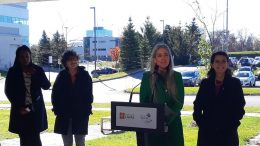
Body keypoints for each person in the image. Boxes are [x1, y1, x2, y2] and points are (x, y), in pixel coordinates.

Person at [193, 51, 246, 146]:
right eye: (217, 61)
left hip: (228, 134)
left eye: (223, 61)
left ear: (228, 63)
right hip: (207, 134)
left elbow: (240, 107)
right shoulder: (205, 83)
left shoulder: (235, 83)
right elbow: (197, 105)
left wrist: (232, 125)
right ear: (212, 64)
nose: (220, 64)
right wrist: (201, 124)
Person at [138, 43, 185, 146]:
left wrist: (165, 121)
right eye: (159, 55)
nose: (163, 58)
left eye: (166, 55)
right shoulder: (147, 77)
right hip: (153, 127)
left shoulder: (177, 76)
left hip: (173, 126)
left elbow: (179, 103)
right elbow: (144, 101)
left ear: (170, 57)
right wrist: (156, 121)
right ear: (154, 59)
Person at [4, 45, 51, 146]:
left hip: (35, 109)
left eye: (27, 56)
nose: (25, 59)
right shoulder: (13, 71)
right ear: (18, 57)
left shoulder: (37, 69)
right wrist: (19, 107)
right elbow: (8, 91)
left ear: (30, 56)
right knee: (24, 139)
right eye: (22, 56)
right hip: (21, 110)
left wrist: (35, 74)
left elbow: (46, 86)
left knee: (36, 138)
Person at [51, 50, 93, 146]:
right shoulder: (61, 75)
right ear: (65, 62)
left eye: (75, 59)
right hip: (64, 114)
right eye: (70, 60)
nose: (73, 62)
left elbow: (89, 95)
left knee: (80, 142)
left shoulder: (85, 75)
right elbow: (55, 94)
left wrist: (87, 110)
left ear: (78, 60)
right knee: (67, 143)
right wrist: (57, 109)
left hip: (80, 114)